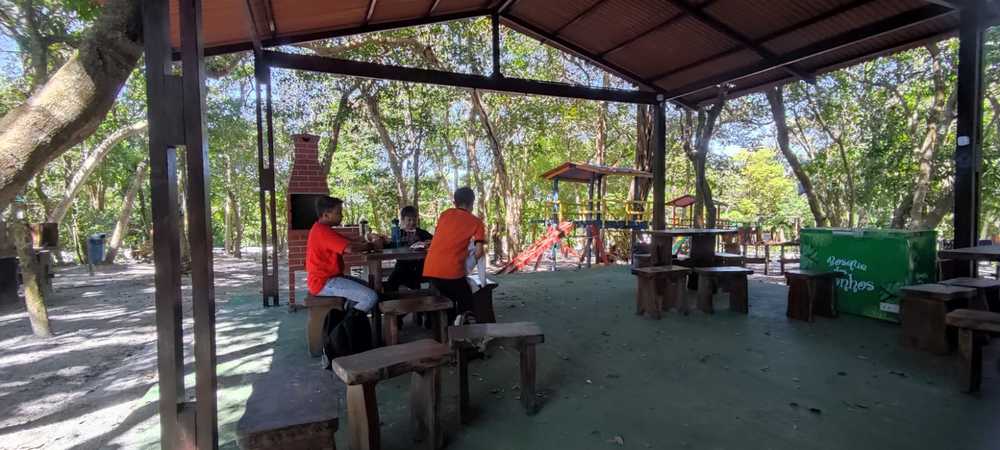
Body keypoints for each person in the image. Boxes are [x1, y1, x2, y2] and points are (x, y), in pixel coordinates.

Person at [423, 187, 486, 324]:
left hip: (430, 269)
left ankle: (439, 324)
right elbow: (479, 252)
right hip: (451, 272)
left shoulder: (444, 214)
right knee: (466, 299)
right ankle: (466, 325)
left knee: (449, 297)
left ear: (455, 202)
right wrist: (470, 261)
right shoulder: (477, 222)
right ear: (472, 203)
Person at [306, 196, 379, 311]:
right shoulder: (322, 232)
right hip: (323, 282)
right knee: (370, 297)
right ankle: (348, 321)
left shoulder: (323, 229)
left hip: (331, 278)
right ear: (326, 215)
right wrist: (373, 246)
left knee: (367, 286)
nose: (342, 215)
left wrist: (367, 237)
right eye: (338, 213)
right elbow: (350, 248)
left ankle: (348, 315)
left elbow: (350, 242)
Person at [374, 206, 433, 292]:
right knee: (391, 283)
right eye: (409, 220)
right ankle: (390, 298)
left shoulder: (422, 233)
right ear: (402, 220)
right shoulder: (398, 233)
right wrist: (384, 241)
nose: (412, 222)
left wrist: (427, 243)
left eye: (414, 220)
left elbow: (434, 241)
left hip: (419, 267)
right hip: (402, 266)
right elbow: (389, 246)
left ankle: (416, 295)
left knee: (417, 282)